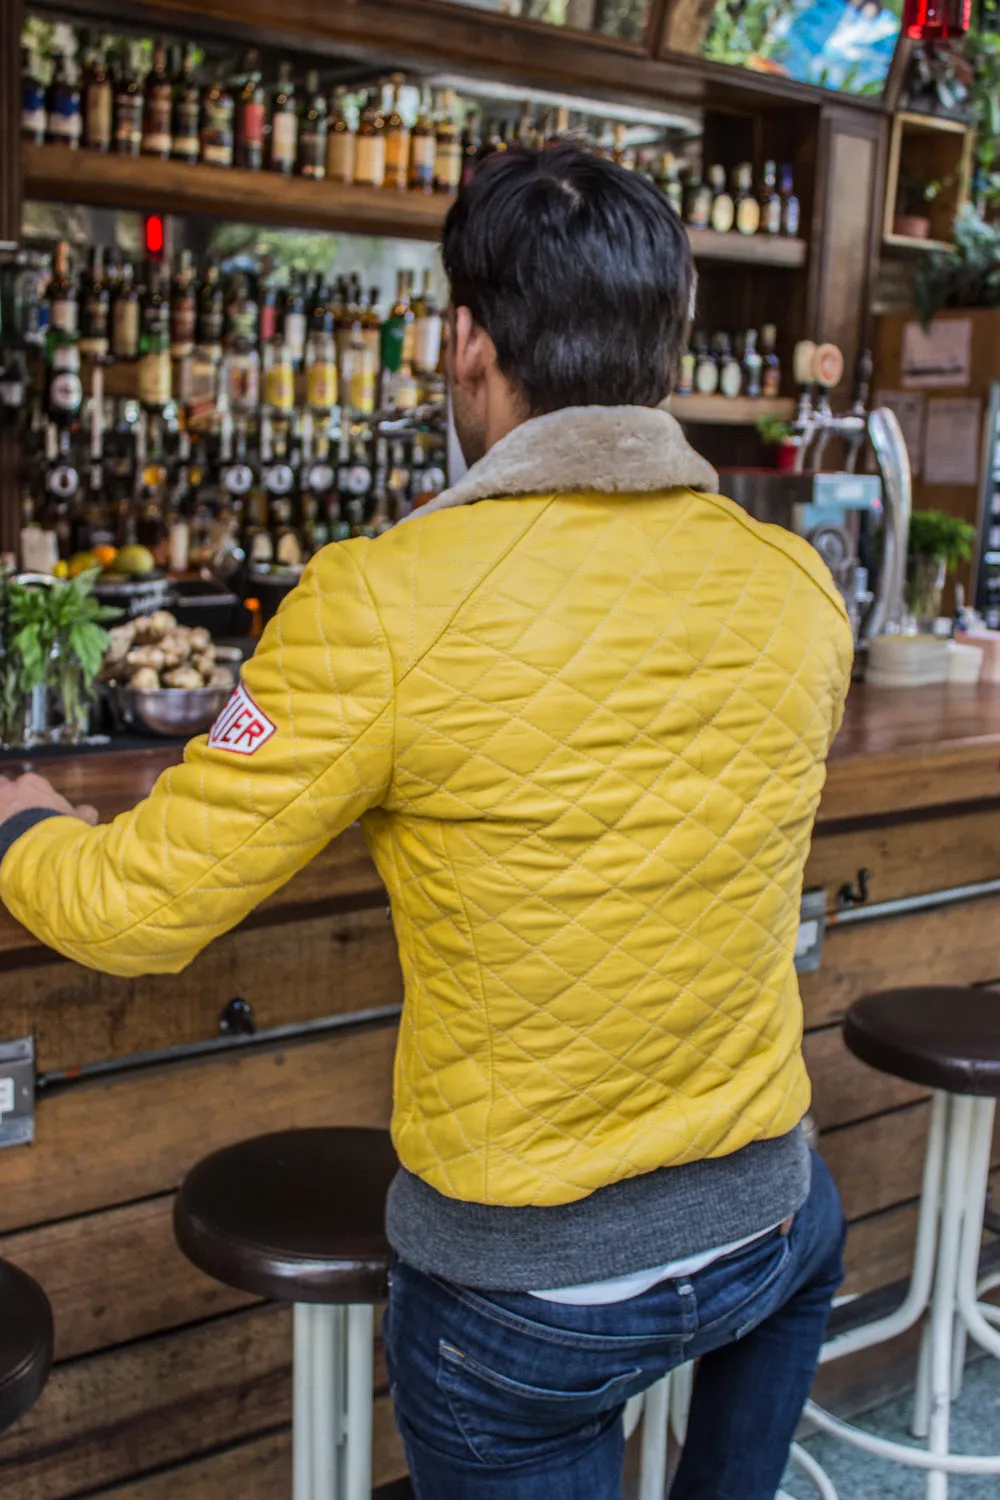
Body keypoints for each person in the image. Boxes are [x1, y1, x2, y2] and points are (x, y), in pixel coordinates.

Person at [0, 147, 853, 1499]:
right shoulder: (796, 582)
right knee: (810, 1247)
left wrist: (21, 821)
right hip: (771, 1218)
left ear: (465, 341)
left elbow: (135, 912)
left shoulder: (382, 602)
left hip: (535, 1294)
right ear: (668, 343)